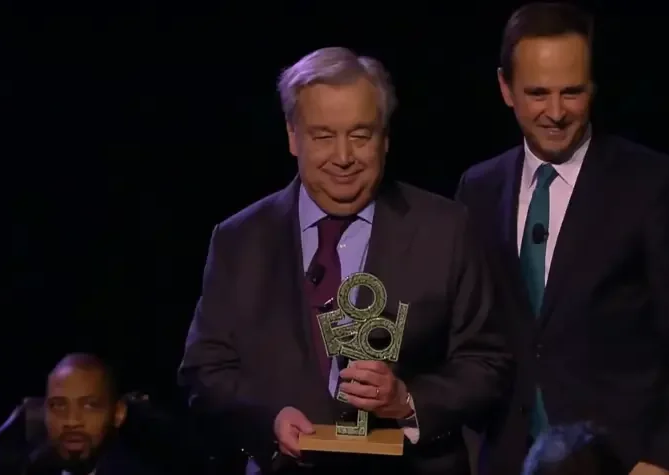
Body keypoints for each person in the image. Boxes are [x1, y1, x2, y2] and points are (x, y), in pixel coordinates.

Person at [178, 46, 513, 475]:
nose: (343, 158)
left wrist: (407, 401)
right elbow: (205, 371)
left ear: (385, 138)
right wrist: (270, 418)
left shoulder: (446, 229)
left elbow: (486, 364)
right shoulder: (239, 240)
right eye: (322, 136)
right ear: (292, 136)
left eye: (360, 135)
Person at [454, 3, 669, 475]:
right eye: (537, 93)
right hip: (507, 459)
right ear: (505, 88)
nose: (555, 113)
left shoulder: (652, 184)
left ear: (592, 86)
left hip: (620, 461)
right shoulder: (477, 188)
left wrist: (664, 459)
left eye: (572, 92)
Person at [4, 353, 165, 475]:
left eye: (90, 405)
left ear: (118, 413)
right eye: (58, 406)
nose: (72, 421)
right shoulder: (29, 469)